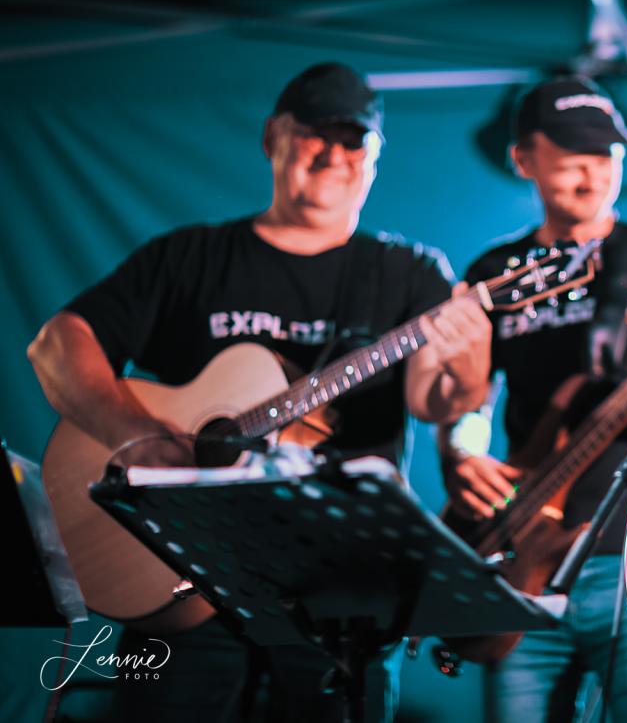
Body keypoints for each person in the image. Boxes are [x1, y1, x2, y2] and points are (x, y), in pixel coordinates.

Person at [27, 61, 491, 723]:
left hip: (338, 597)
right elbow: (55, 345)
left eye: (353, 140)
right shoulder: (191, 256)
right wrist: (139, 437)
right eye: (314, 134)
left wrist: (469, 366)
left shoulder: (407, 273)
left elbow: (433, 404)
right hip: (180, 578)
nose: (332, 154)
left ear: (374, 158)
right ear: (274, 135)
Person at [437, 76, 627, 723]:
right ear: (523, 159)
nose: (592, 170)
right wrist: (462, 454)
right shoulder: (495, 272)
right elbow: (469, 400)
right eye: (572, 151)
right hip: (518, 551)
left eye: (606, 152)